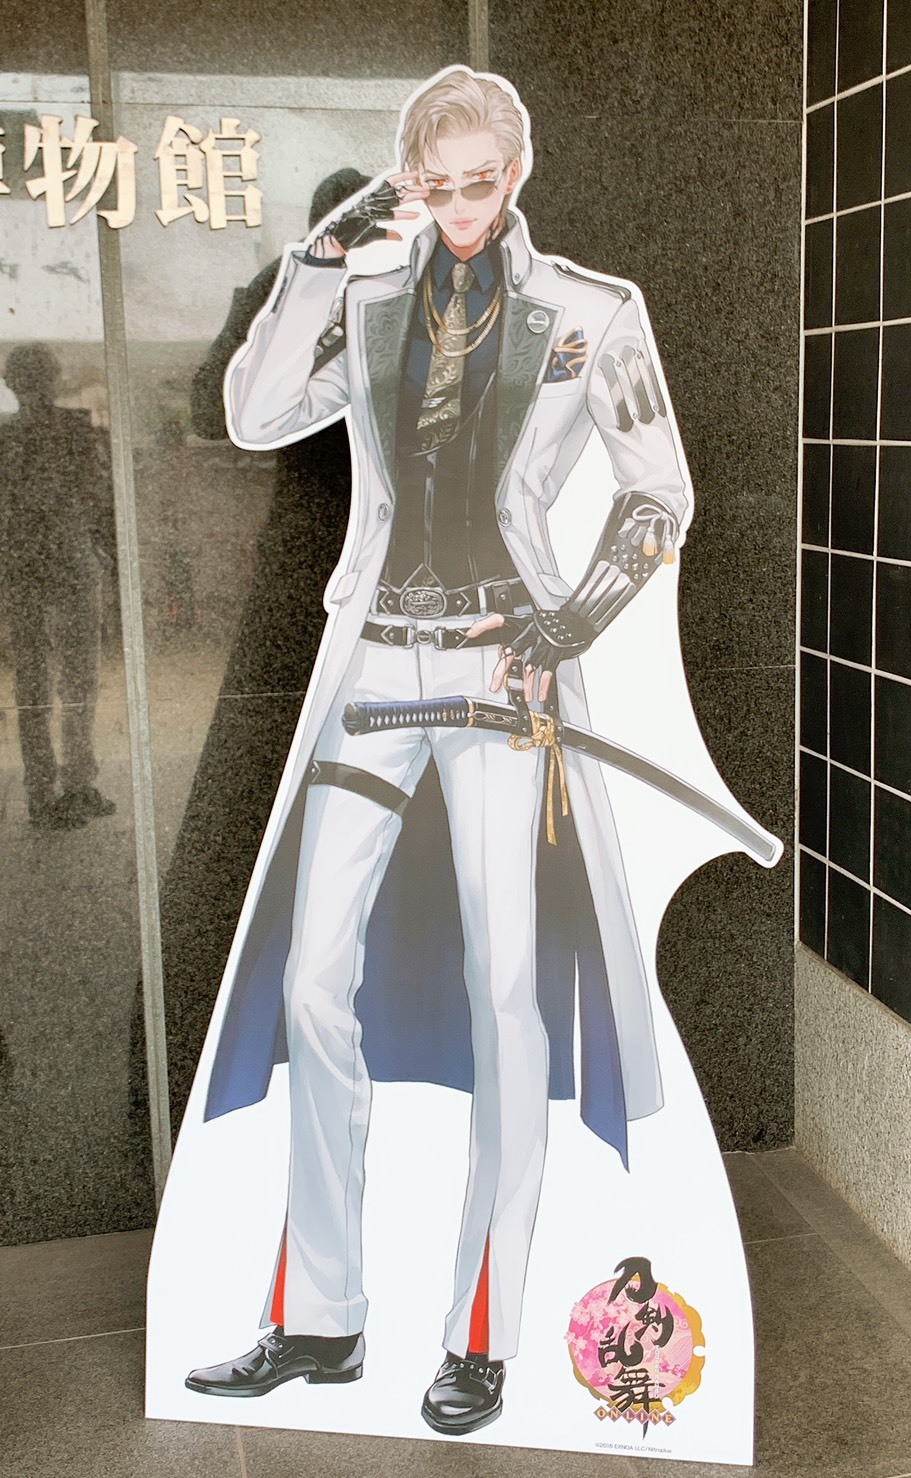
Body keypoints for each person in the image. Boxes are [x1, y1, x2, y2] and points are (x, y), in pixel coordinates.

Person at [183, 67, 689, 1434]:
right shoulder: (364, 299)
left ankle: (480, 1331)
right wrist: (321, 250)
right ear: (413, 178)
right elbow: (252, 412)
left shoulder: (591, 313)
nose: (463, 206)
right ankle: (322, 1316)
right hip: (374, 663)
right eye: (438, 184)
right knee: (310, 980)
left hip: (502, 670)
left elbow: (659, 495)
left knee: (505, 988)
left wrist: (564, 625)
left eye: (483, 181)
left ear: (515, 172)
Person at [0, 343, 115, 830]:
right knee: (68, 680)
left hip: (35, 564)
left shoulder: (13, 436)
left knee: (43, 682)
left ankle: (52, 791)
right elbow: (95, 492)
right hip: (58, 560)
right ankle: (66, 786)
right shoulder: (71, 429)